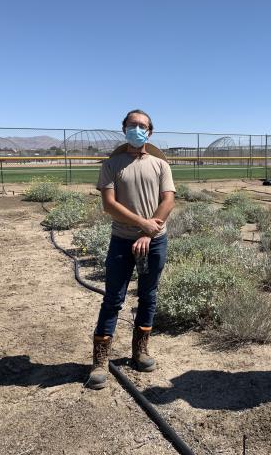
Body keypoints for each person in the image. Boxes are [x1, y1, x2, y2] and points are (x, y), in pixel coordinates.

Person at [87, 109, 176, 390]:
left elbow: (168, 201)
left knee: (149, 295)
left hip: (155, 240)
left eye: (143, 126)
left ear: (150, 132)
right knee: (113, 298)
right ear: (123, 128)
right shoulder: (112, 165)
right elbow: (109, 205)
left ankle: (140, 350)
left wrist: (150, 233)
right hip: (122, 240)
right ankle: (100, 361)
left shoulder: (161, 165)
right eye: (132, 125)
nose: (137, 129)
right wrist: (142, 227)